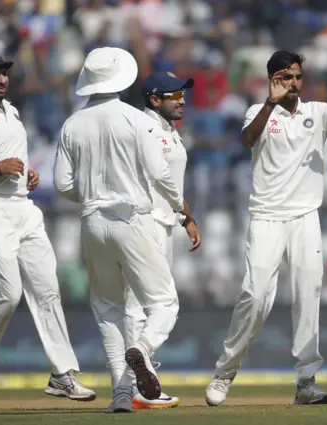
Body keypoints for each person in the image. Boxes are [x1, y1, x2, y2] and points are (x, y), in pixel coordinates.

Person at [205, 50, 327, 406]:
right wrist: (269, 102)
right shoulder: (258, 111)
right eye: (285, 77)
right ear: (271, 80)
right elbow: (248, 139)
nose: (293, 83)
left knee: (308, 291)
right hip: (266, 216)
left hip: (306, 216)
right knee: (255, 295)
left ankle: (306, 381)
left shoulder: (316, 112)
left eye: (296, 77)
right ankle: (225, 372)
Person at [0, 53, 95, 405]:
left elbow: (13, 158)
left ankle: (62, 375)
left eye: (3, 73)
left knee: (47, 292)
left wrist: (26, 174)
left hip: (24, 208)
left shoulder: (13, 112)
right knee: (8, 295)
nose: (1, 79)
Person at [53, 47, 195, 413]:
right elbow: (158, 172)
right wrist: (181, 206)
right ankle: (143, 351)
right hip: (131, 219)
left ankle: (120, 393)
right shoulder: (137, 119)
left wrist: (93, 197)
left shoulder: (72, 124)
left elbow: (62, 184)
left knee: (107, 309)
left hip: (91, 222)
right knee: (163, 303)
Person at [123, 71, 202, 410]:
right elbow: (154, 179)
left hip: (164, 223)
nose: (181, 100)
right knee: (149, 305)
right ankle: (137, 373)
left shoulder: (168, 129)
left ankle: (138, 383)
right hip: (145, 223)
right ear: (155, 100)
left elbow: (170, 185)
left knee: (147, 305)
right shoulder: (145, 128)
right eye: (174, 95)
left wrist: (185, 218)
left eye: (183, 94)